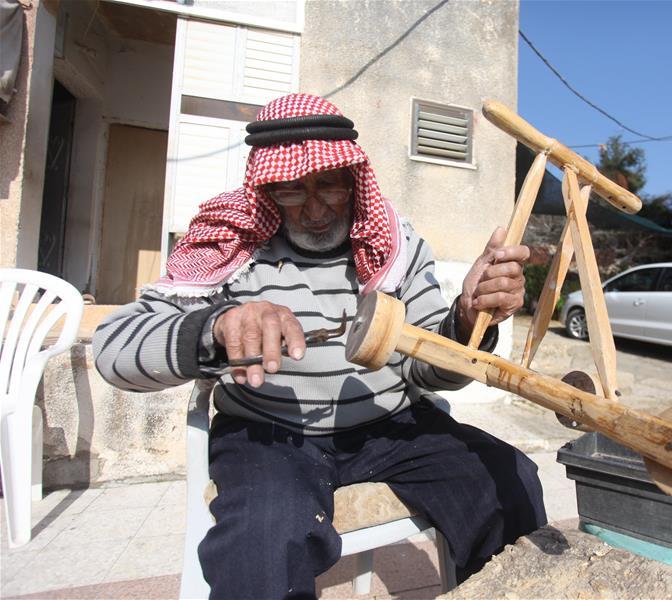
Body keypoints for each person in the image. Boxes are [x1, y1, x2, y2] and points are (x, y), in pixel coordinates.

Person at [94, 93, 546, 599]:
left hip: (394, 428)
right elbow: (112, 349)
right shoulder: (228, 249)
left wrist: (468, 319)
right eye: (290, 189)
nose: (313, 209)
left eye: (329, 184)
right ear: (265, 187)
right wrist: (216, 327)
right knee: (262, 541)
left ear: (354, 179)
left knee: (510, 482)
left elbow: (431, 373)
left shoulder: (395, 248)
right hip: (270, 436)